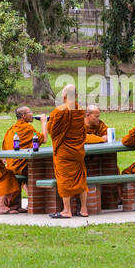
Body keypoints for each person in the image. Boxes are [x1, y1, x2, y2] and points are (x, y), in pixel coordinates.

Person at [46, 84, 88, 218]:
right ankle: (84, 210)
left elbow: (51, 130)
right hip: (78, 150)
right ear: (75, 96)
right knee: (80, 178)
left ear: (64, 96)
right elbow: (83, 131)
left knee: (64, 179)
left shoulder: (59, 111)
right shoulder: (80, 110)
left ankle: (67, 210)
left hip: (64, 151)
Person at [0, 106, 44, 176]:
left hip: (10, 166)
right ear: (23, 116)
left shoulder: (12, 129)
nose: (32, 114)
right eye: (30, 112)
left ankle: (25, 185)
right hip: (21, 168)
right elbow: (44, 139)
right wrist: (44, 122)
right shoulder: (27, 128)